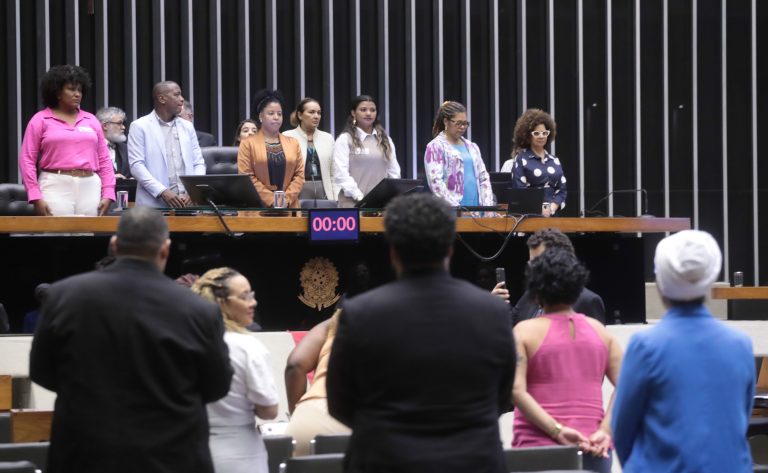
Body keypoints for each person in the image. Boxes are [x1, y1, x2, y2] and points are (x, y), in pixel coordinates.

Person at [29, 206, 233, 473]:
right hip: (172, 458)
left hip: (85, 457)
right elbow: (216, 386)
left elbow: (42, 372)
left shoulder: (62, 297)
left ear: (114, 245)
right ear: (165, 250)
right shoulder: (199, 310)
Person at [327, 193, 516, 473]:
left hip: (385, 461)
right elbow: (503, 397)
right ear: (450, 249)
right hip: (473, 460)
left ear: (392, 251)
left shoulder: (360, 314)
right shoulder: (494, 313)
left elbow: (340, 402)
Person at [611, 230, 755, 472]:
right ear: (710, 280)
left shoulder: (645, 346)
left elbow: (622, 428)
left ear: (660, 283)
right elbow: (739, 418)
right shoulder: (740, 344)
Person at [511, 248, 622, 473]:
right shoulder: (602, 333)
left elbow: (515, 390)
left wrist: (556, 430)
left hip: (537, 451)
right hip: (594, 447)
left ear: (534, 289)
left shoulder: (523, 332)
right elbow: (628, 386)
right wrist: (605, 431)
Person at [191, 268, 279, 473]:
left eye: (252, 294)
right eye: (244, 296)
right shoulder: (249, 347)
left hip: (194, 450)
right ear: (223, 302)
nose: (253, 302)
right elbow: (269, 410)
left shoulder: (188, 341)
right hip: (241, 455)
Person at [18, 65, 116, 216]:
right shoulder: (40, 119)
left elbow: (104, 159)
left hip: (90, 184)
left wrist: (109, 192)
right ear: (57, 92)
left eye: (80, 90)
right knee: (56, 236)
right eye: (71, 89)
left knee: (86, 235)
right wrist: (35, 195)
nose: (77, 94)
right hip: (54, 183)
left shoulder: (91, 120)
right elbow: (27, 160)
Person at [494, 228, 606, 325]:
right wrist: (496, 304)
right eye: (531, 263)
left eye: (538, 262)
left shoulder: (588, 301)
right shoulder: (533, 293)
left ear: (560, 260)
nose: (532, 269)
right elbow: (512, 323)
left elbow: (596, 345)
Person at [128, 81, 206, 208]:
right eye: (177, 95)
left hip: (188, 202)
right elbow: (137, 166)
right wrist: (162, 191)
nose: (182, 99)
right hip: (154, 204)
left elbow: (198, 163)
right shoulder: (139, 126)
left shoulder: (187, 126)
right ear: (162, 98)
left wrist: (193, 191)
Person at [284, 311, 351, 455]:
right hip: (371, 418)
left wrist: (297, 414)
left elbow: (295, 365)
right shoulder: (405, 319)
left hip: (314, 415)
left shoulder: (339, 318)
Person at [238, 89, 305, 208]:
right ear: (260, 116)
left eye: (279, 114)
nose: (276, 117)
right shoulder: (247, 144)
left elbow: (299, 175)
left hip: (290, 207)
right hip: (258, 207)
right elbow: (246, 177)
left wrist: (286, 199)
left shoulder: (293, 143)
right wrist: (272, 200)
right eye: (271, 113)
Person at [332, 95, 400, 208]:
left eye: (372, 110)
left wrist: (389, 195)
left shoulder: (386, 140)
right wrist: (360, 197)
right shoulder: (345, 139)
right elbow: (340, 174)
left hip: (381, 205)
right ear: (353, 113)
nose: (368, 113)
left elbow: (394, 172)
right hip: (353, 204)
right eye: (363, 110)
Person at [424, 101, 494, 207]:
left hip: (478, 210)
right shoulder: (435, 147)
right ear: (446, 122)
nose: (462, 127)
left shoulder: (472, 147)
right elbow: (436, 183)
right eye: (458, 123)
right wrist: (457, 208)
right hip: (452, 212)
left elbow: (483, 177)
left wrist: (488, 207)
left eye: (465, 123)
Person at [503, 108, 566, 217]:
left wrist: (552, 207)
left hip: (553, 215)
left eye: (544, 133)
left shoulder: (554, 160)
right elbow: (520, 190)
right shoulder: (521, 159)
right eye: (536, 133)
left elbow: (562, 190)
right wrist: (539, 209)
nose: (541, 136)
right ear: (528, 136)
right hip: (531, 216)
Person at [283, 98, 336, 201]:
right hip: (296, 193)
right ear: (300, 115)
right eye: (311, 112)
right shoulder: (287, 136)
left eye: (319, 113)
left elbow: (333, 174)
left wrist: (335, 198)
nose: (316, 116)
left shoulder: (328, 138)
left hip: (324, 193)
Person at [95, 106, 131, 179]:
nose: (123, 127)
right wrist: (109, 178)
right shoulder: (92, 147)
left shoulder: (126, 148)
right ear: (105, 126)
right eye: (119, 123)